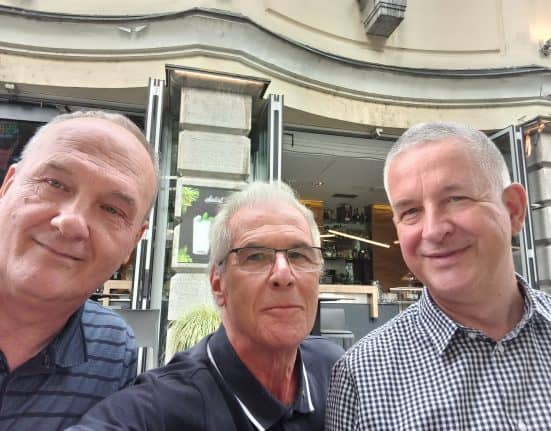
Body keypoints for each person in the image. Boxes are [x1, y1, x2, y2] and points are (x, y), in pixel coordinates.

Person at [325, 121, 551, 430]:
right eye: (410, 211)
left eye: (456, 199)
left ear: (513, 210)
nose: (432, 230)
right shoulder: (360, 378)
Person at [67, 181, 344, 430]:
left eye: (299, 255)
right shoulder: (162, 407)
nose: (283, 274)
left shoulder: (335, 369)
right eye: (255, 256)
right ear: (218, 285)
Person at [0, 111, 158, 430]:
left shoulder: (112, 349)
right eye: (54, 183)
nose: (71, 222)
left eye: (111, 209)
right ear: (8, 186)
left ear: (133, 243)